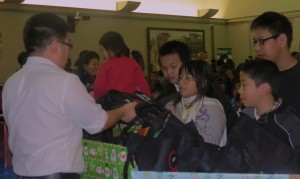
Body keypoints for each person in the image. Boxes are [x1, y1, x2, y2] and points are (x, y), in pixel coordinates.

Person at [2, 13, 137, 178]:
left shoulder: (11, 83)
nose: (68, 52)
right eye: (69, 45)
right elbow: (98, 122)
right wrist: (123, 111)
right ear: (56, 45)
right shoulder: (65, 81)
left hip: (20, 173)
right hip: (57, 173)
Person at [238, 59, 300, 150]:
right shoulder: (244, 118)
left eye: (244, 84)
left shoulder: (289, 125)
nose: (239, 90)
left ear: (264, 88)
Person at [165, 60, 227, 147]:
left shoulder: (213, 108)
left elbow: (212, 143)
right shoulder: (171, 105)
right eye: (180, 77)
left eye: (187, 78)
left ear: (203, 82)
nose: (181, 82)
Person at [250, 11, 300, 116]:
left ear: (282, 40)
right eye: (255, 42)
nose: (256, 48)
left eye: (261, 41)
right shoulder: (259, 78)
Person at [94, 31, 151, 100]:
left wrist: (98, 100)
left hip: (112, 104)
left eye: (102, 50)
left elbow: (99, 87)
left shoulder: (105, 66)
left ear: (110, 49)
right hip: (131, 103)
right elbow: (143, 85)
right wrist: (147, 97)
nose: (102, 54)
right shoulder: (132, 62)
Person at [155, 40, 191, 105]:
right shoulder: (164, 96)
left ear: (187, 64)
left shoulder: (205, 88)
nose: (168, 72)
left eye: (173, 67)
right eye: (164, 68)